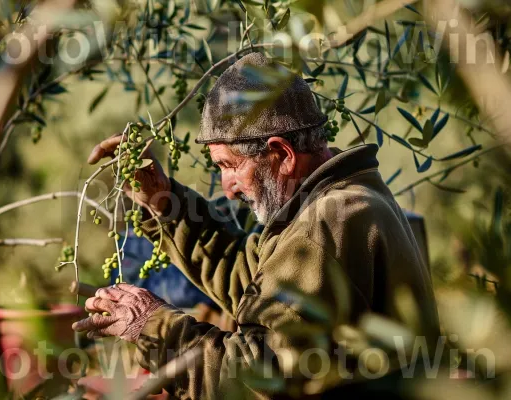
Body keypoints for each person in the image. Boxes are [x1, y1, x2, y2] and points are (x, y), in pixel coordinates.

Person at [73, 53, 440, 399]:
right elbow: (249, 278)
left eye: (229, 166)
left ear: (282, 154)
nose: (227, 189)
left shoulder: (327, 224)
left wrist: (155, 327)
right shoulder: (338, 201)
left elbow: (262, 376)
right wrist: (162, 200)